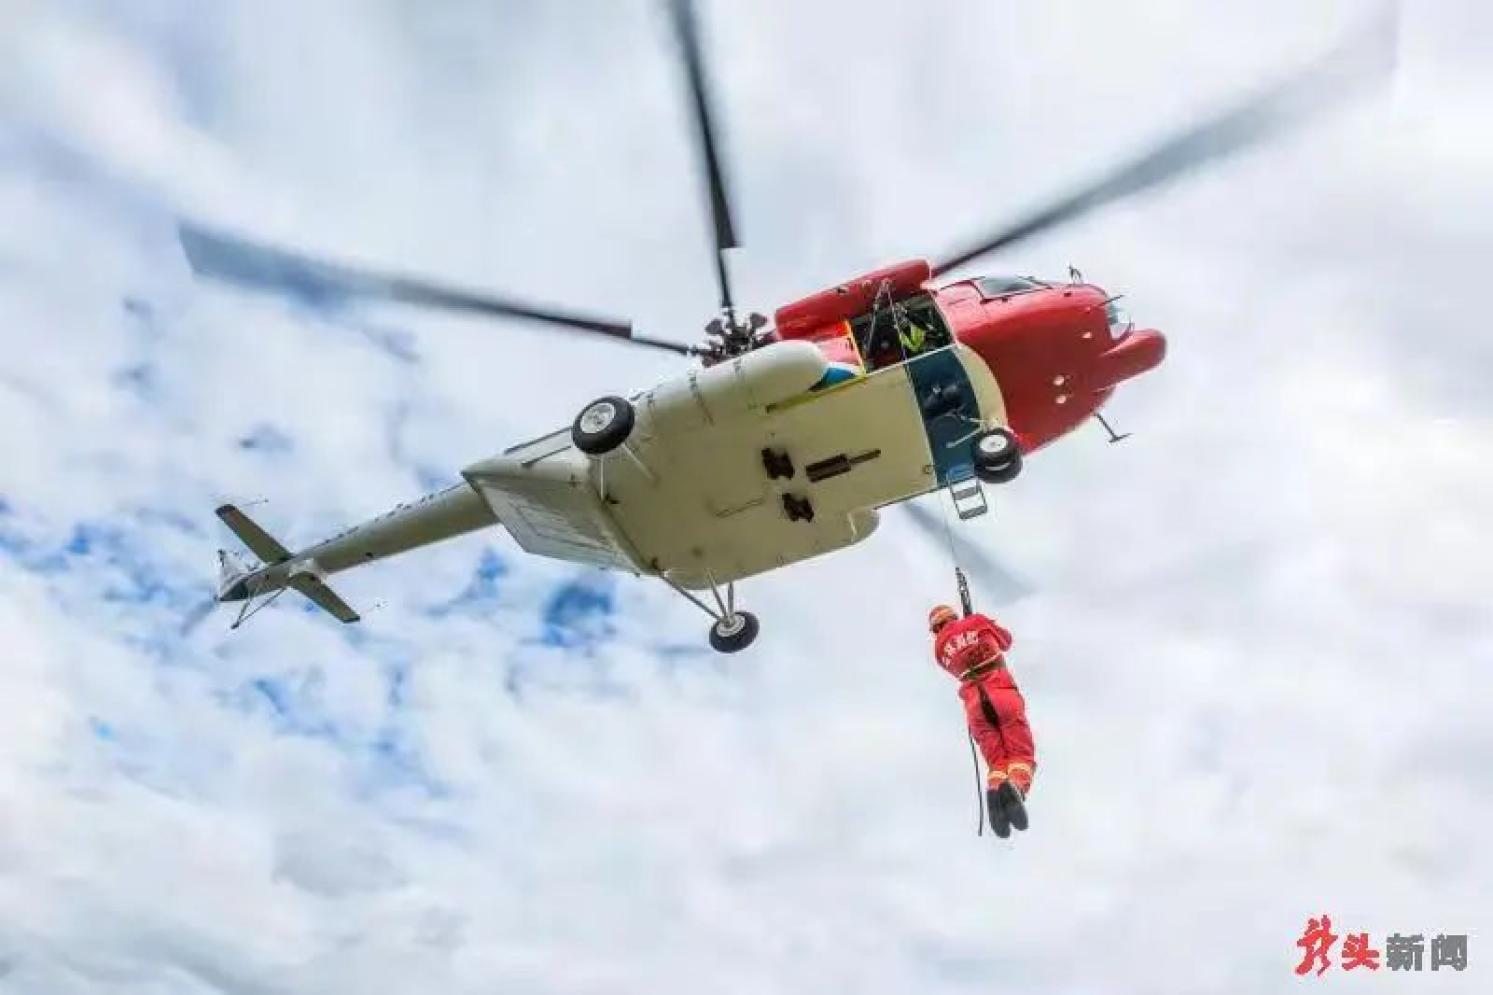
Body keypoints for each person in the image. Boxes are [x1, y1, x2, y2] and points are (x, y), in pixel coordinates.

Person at [928, 604, 1036, 838]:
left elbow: (960, 654)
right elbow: (1006, 641)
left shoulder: (938, 651)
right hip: (1002, 694)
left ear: (935, 629)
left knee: (997, 763)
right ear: (953, 616)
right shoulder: (976, 622)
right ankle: (1016, 787)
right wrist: (977, 624)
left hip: (975, 708)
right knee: (1021, 756)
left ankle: (996, 790)